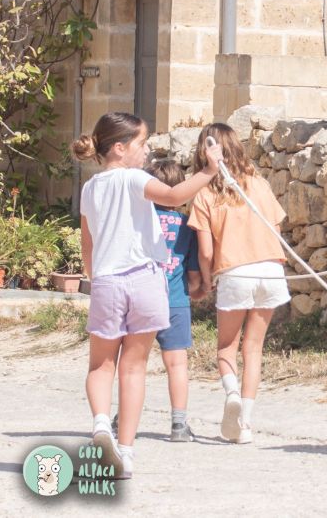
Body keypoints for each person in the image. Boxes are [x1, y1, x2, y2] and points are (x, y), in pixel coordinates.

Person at [74, 112, 221, 478]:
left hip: (107, 281)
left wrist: (97, 279)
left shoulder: (90, 189)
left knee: (100, 366)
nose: (148, 151)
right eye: (142, 143)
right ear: (120, 148)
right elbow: (173, 195)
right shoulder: (134, 178)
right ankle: (125, 453)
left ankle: (100, 425)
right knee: (134, 367)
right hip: (146, 281)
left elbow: (87, 247)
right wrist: (208, 172)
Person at [188, 123, 290, 444]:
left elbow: (205, 251)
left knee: (225, 348)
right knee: (254, 347)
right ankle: (245, 424)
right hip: (272, 271)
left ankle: (231, 393)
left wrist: (205, 282)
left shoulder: (204, 194)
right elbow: (275, 230)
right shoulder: (259, 184)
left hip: (234, 273)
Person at [112, 160, 205, 442]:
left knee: (133, 362)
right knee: (177, 363)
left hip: (141, 298)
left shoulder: (139, 220)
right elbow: (192, 271)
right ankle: (179, 425)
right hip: (175, 300)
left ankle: (122, 418)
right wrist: (198, 289)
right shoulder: (187, 228)